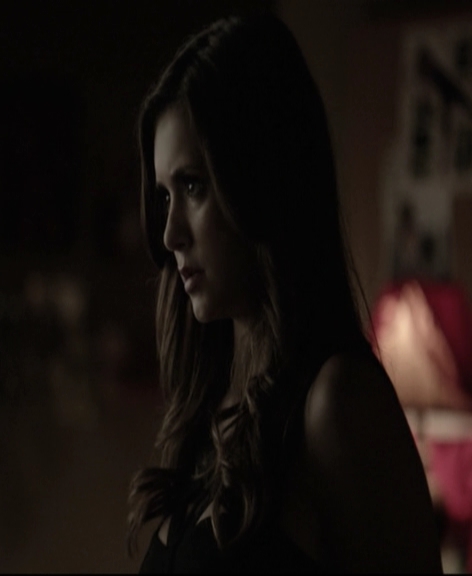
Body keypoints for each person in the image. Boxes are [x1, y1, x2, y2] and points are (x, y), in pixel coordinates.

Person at [126, 14, 442, 573]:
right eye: (164, 196)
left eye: (193, 186)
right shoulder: (211, 407)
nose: (170, 234)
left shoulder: (337, 404)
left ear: (261, 178)